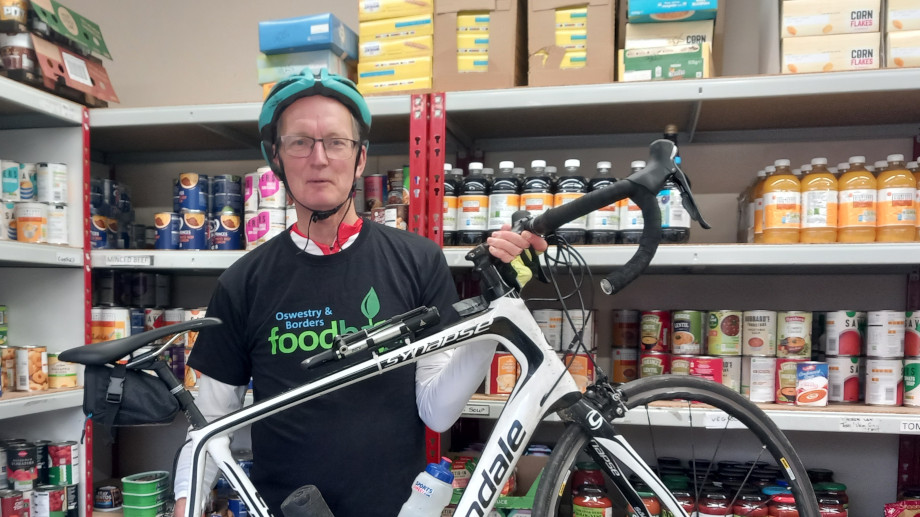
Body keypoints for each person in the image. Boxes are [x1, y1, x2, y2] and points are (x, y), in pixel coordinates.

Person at [172, 69, 547, 517]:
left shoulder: (418, 260)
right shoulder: (243, 282)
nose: (319, 158)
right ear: (276, 157)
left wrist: (496, 310)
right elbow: (209, 426)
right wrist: (186, 505)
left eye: (335, 141)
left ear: (360, 157)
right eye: (299, 142)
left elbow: (438, 412)